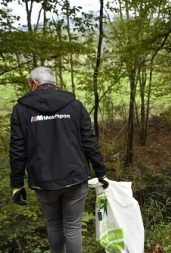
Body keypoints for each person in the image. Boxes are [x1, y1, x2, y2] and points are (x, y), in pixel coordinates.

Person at [9, 66, 109, 252]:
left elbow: (17, 150)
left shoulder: (21, 110)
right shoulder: (74, 106)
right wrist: (101, 172)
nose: (29, 87)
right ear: (53, 83)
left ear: (35, 83)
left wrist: (17, 185)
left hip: (43, 181)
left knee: (54, 225)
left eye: (29, 84)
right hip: (75, 178)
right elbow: (89, 142)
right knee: (72, 227)